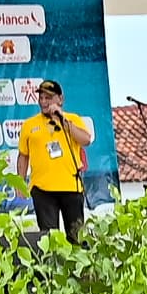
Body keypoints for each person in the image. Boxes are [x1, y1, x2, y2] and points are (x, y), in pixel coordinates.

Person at [15, 79, 92, 234]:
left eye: (48, 98)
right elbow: (23, 156)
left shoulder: (72, 119)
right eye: (41, 98)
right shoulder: (29, 125)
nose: (44, 102)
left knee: (77, 236)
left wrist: (62, 119)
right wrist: (20, 182)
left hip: (71, 187)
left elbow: (86, 140)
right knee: (49, 237)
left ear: (60, 99)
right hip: (42, 190)